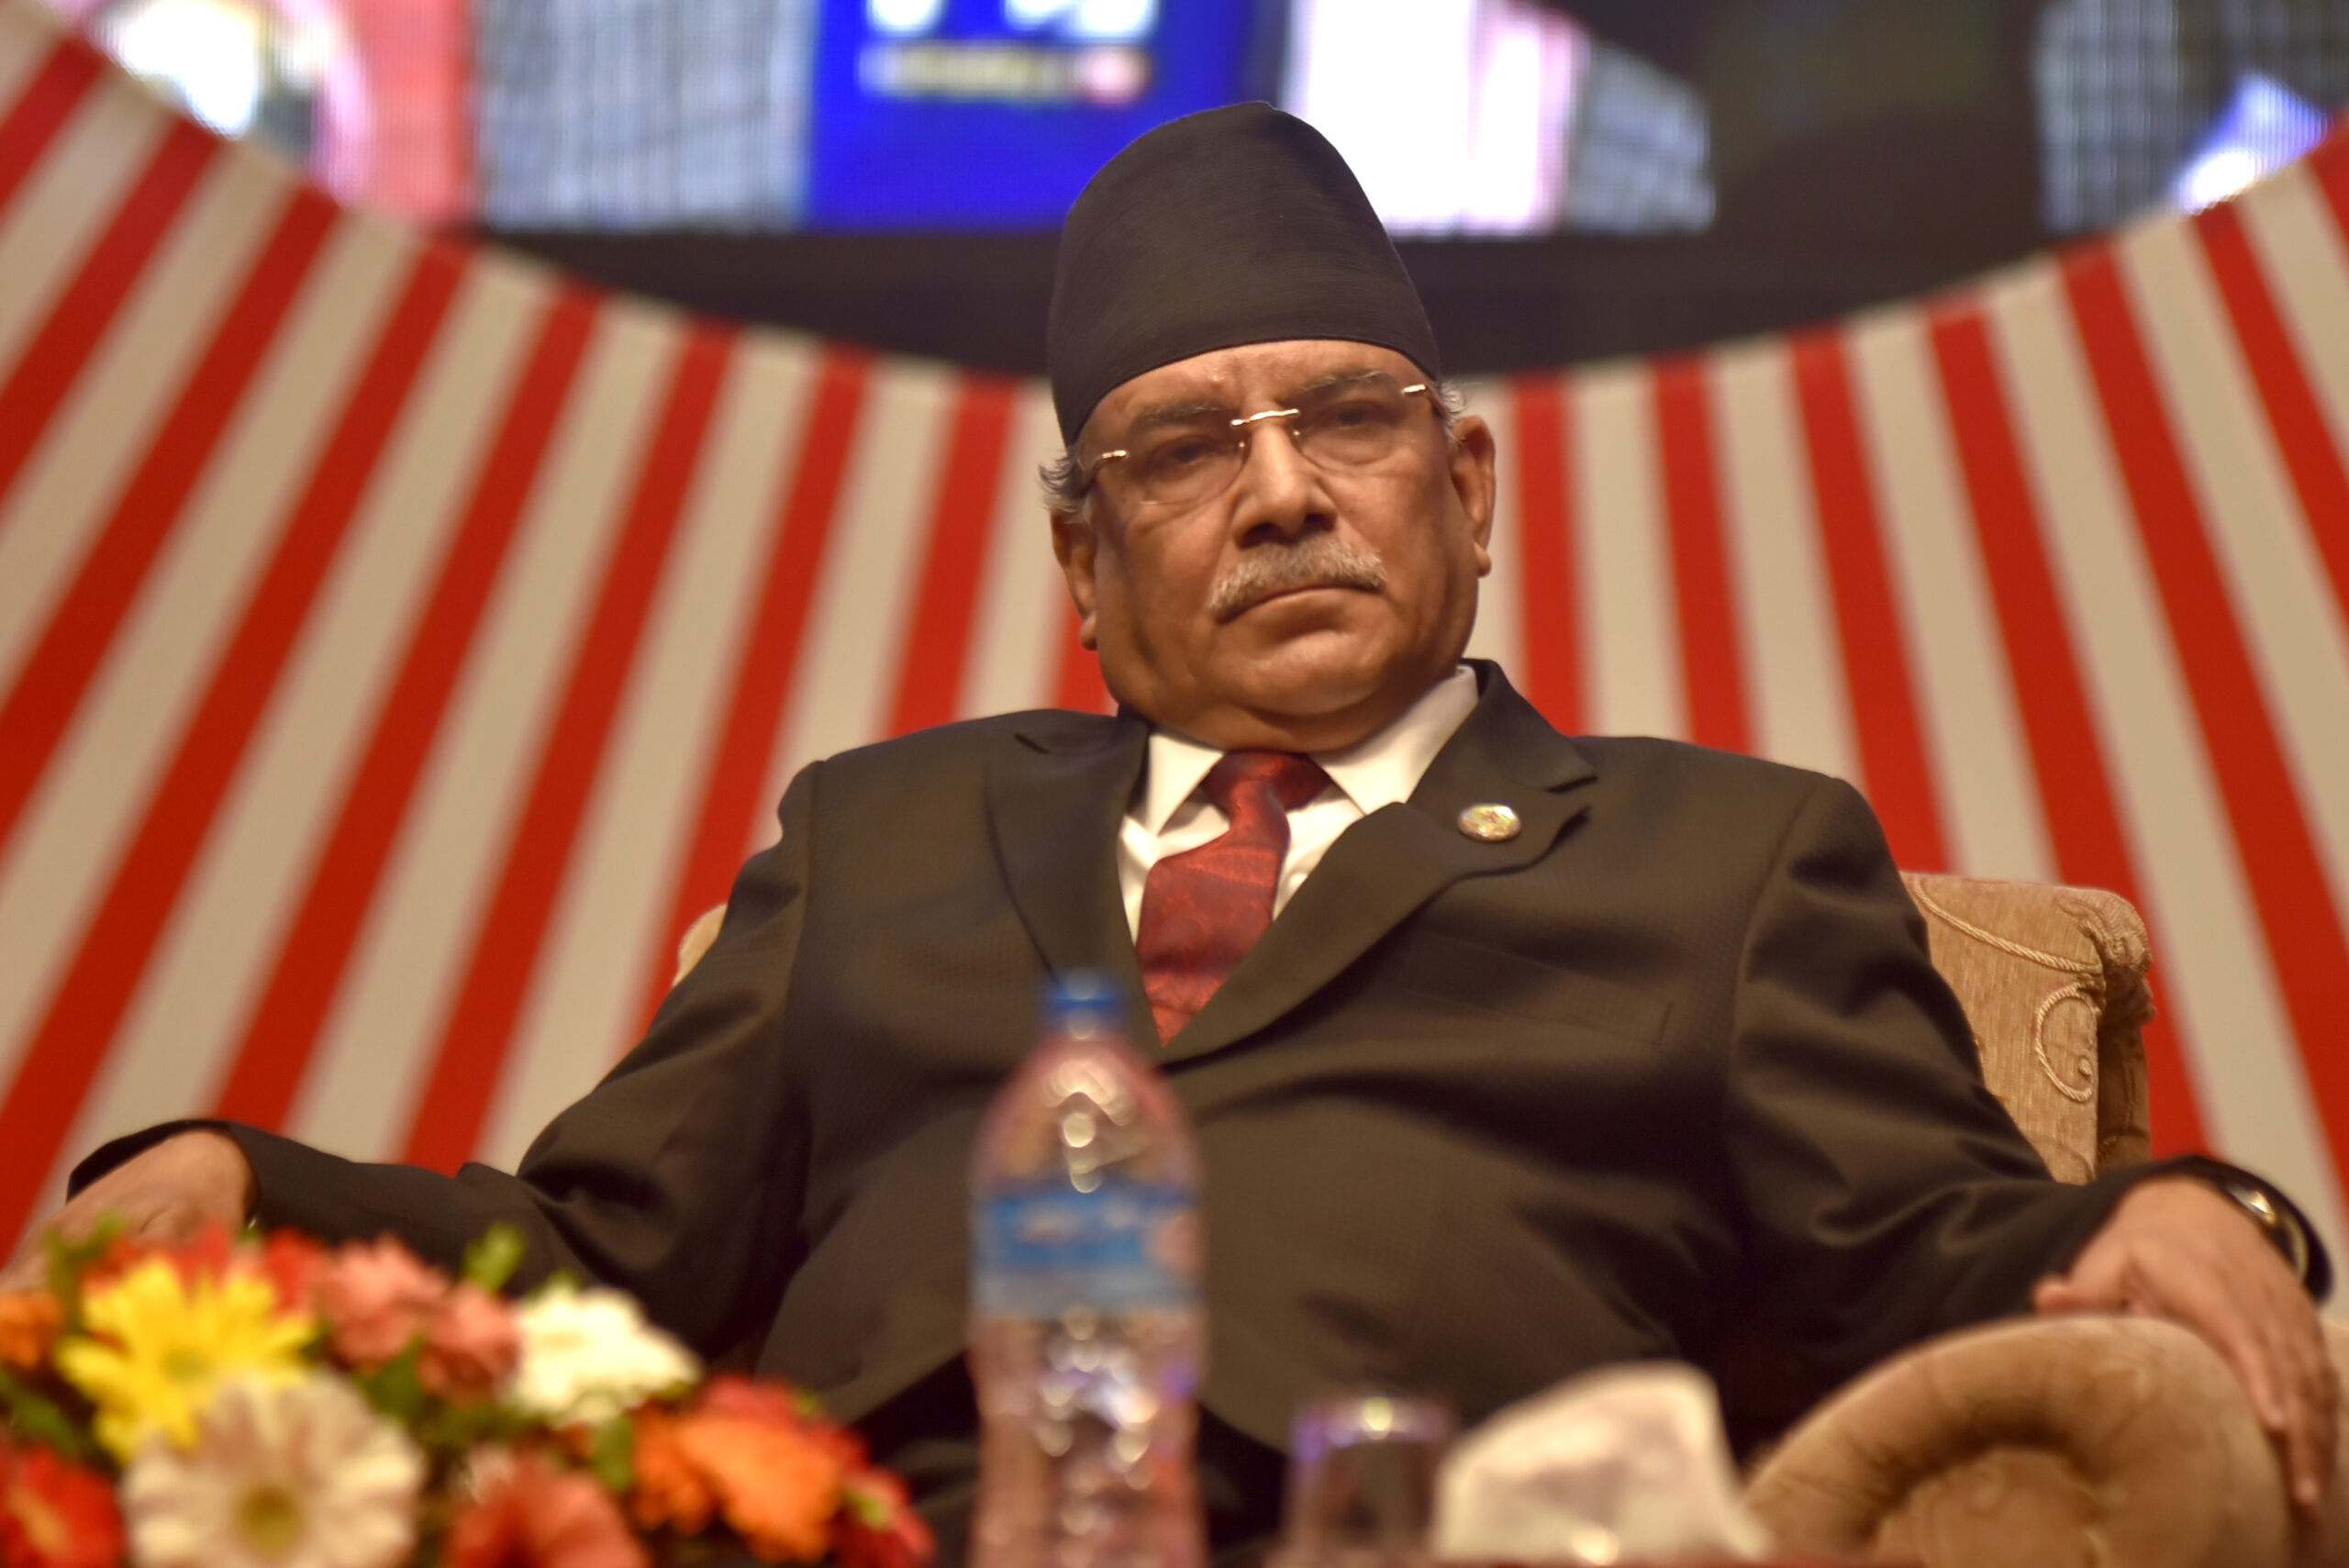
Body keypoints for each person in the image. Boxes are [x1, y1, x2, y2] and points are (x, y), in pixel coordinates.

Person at [8, 103, 2335, 1562]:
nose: (1287, 491)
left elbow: (1928, 1252)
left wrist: (2187, 1212)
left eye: (1348, 420)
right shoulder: (880, 829)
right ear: (1083, 560)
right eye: (1185, 451)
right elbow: (601, 1259)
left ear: (1467, 487)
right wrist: (236, 1181)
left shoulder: (1718, 861)